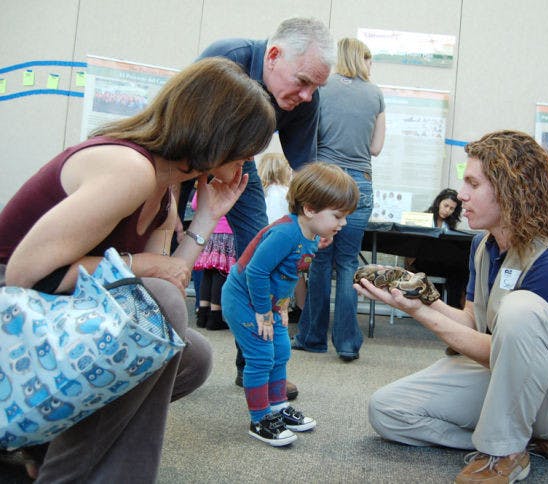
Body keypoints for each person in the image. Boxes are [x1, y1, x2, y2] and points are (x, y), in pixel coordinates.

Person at [0, 57, 276, 481]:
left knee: (190, 353)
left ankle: (47, 449)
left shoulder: (165, 188)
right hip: (15, 322)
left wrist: (205, 219)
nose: (250, 162)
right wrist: (143, 262)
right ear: (218, 135)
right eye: (247, 148)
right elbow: (26, 274)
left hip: (52, 325)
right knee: (157, 306)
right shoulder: (128, 167)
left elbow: (172, 278)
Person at [357, 130, 548, 483]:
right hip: (507, 374)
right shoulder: (484, 245)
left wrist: (421, 314)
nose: (461, 194)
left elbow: (503, 347)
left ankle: (504, 452)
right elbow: (473, 320)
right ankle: (519, 441)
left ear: (512, 190)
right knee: (387, 410)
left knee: (522, 308)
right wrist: (417, 300)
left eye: (472, 183)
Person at [190, 18, 335, 395]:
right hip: (183, 153)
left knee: (261, 250)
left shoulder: (305, 100)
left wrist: (318, 218)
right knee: (157, 240)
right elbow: (178, 126)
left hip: (240, 161)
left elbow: (306, 167)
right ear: (273, 56)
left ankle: (256, 362)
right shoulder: (226, 59)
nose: (307, 95)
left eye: (316, 87)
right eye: (303, 81)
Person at [221, 162, 358, 446]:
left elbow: (286, 274)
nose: (342, 224)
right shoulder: (285, 234)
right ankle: (259, 420)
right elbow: (256, 271)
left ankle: (277, 407)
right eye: (338, 216)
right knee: (260, 356)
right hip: (245, 298)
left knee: (281, 350)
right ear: (309, 209)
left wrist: (281, 306)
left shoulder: (309, 233)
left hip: (270, 302)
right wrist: (263, 312)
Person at [292, 38, 385, 362]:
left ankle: (312, 337)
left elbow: (309, 135)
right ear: (361, 59)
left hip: (327, 183)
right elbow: (375, 147)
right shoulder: (375, 94)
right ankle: (347, 344)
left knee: (320, 260)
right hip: (360, 184)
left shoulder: (322, 88)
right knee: (347, 265)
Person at [259, 152, 306, 323]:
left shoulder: (261, 194)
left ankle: (267, 308)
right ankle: (299, 308)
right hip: (289, 240)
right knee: (294, 275)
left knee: (266, 274)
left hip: (266, 240)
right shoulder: (288, 193)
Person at [406, 188, 469, 308]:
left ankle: (453, 307)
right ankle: (452, 306)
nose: (447, 210)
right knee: (457, 268)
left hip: (439, 261)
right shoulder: (424, 217)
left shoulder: (450, 224)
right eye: (446, 205)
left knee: (461, 269)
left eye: (451, 208)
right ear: (439, 202)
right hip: (421, 261)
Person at [191, 191, 235, 331]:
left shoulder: (206, 186)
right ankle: (215, 315)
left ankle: (203, 313)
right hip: (227, 233)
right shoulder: (229, 186)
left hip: (209, 232)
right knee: (220, 273)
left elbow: (194, 205)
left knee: (208, 273)